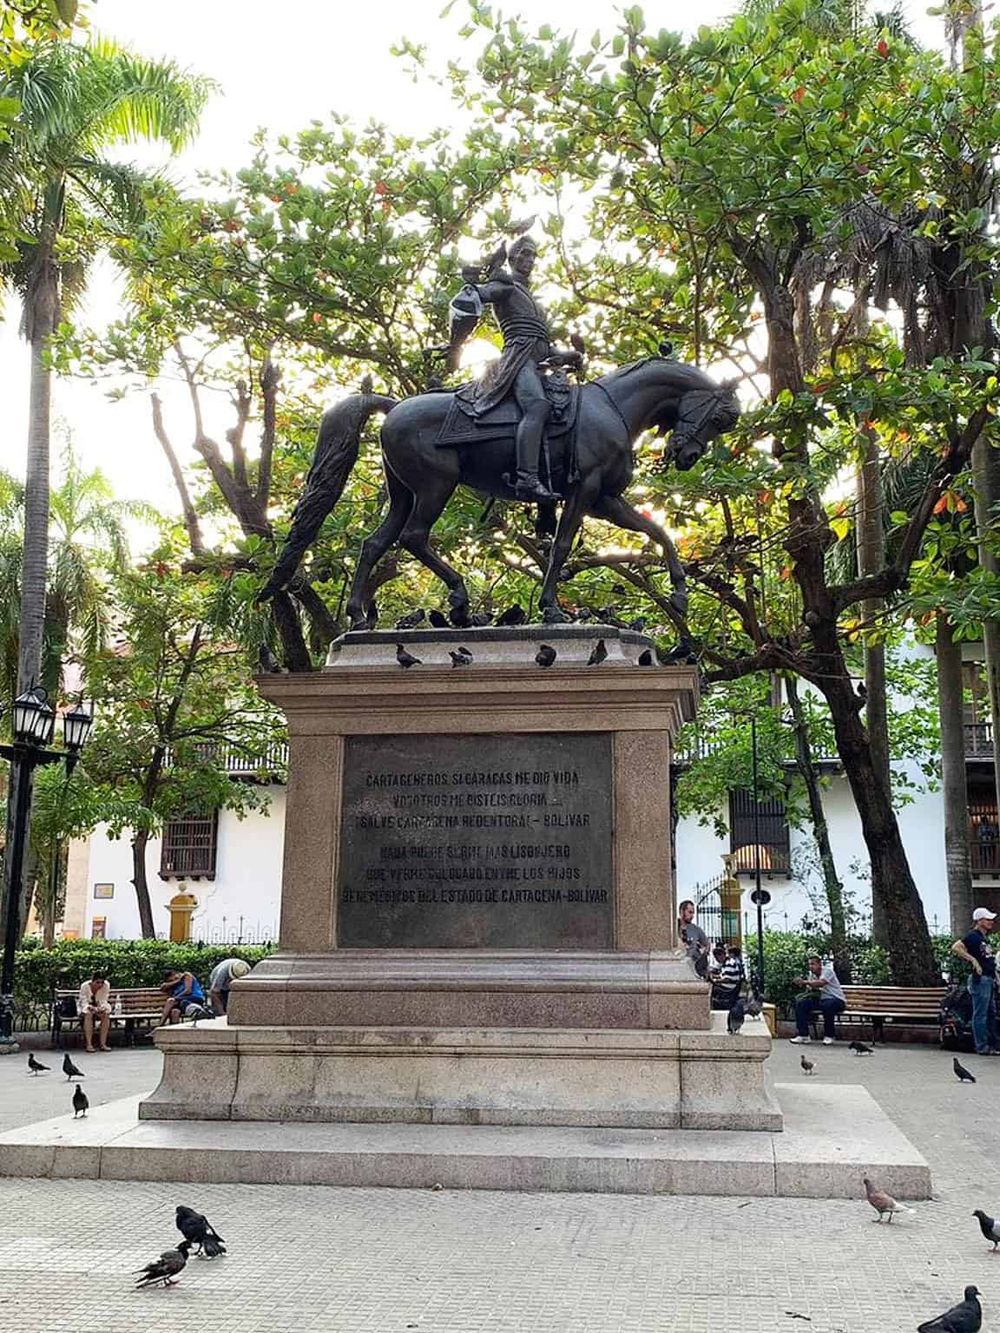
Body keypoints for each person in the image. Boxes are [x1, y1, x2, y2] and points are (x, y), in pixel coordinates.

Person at [447, 234, 579, 502]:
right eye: (525, 254)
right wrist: (473, 288)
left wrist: (568, 355)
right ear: (513, 256)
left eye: (533, 255)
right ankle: (527, 478)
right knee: (538, 407)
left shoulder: (534, 303)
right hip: (517, 361)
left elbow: (543, 346)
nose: (530, 260)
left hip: (535, 362)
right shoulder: (506, 285)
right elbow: (484, 294)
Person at [951, 907, 1000, 1056]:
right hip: (981, 980)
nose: (991, 922)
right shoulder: (973, 936)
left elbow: (990, 961)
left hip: (989, 979)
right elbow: (956, 947)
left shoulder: (984, 938)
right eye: (987, 919)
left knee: (991, 1013)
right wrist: (973, 960)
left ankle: (993, 1044)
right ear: (979, 921)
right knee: (981, 1013)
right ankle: (982, 1046)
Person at [790, 954, 846, 1045]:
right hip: (822, 1001)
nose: (811, 967)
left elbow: (821, 983)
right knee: (801, 1004)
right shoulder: (811, 975)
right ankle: (803, 1035)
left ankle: (829, 1035)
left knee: (828, 1005)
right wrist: (802, 985)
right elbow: (813, 989)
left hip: (837, 1000)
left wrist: (805, 982)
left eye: (813, 964)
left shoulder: (828, 971)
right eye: (809, 964)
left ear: (819, 964)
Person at [78, 971, 112, 1053]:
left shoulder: (106, 985)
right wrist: (90, 1007)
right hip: (86, 1008)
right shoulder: (85, 986)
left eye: (102, 982)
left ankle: (103, 1044)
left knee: (106, 1014)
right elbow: (83, 1001)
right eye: (97, 982)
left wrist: (101, 1008)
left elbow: (104, 999)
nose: (100, 985)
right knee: (88, 1014)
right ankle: (89, 1044)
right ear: (92, 981)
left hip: (98, 1007)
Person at [711, 944, 744, 1011]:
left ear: (722, 955)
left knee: (713, 989)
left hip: (730, 988)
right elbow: (723, 975)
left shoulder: (729, 963)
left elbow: (727, 979)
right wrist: (714, 977)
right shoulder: (726, 963)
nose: (717, 960)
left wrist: (715, 981)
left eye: (717, 957)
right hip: (730, 986)